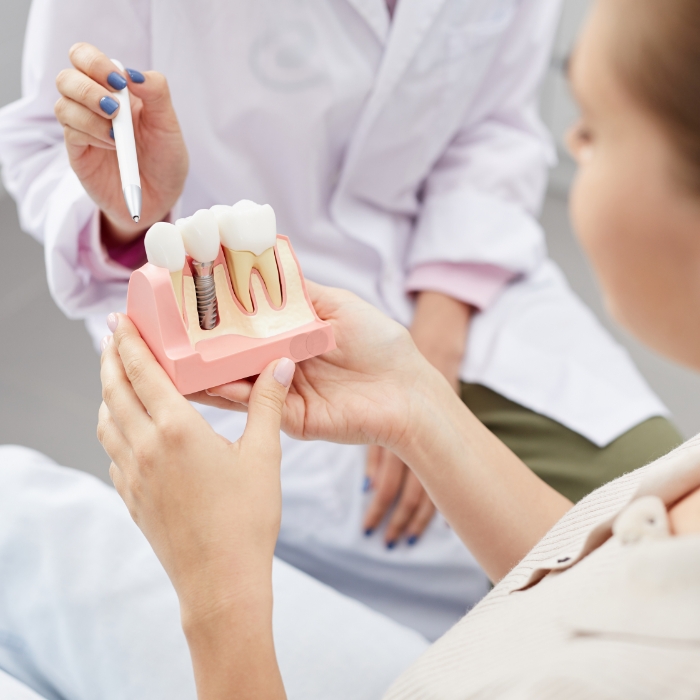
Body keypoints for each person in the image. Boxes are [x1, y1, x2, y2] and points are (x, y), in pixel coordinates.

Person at [0, 0, 681, 639]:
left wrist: (433, 350)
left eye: (594, 131)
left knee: (645, 524)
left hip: (464, 285)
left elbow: (495, 125)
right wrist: (133, 207)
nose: (575, 137)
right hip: (229, 316)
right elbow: (46, 141)